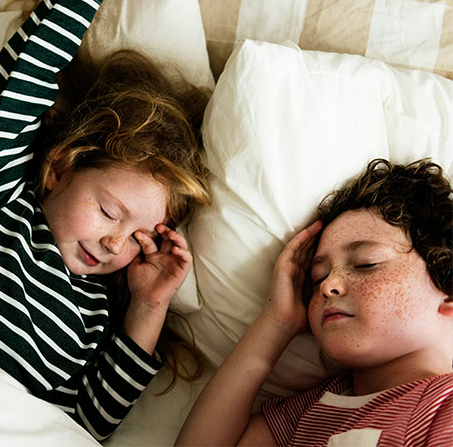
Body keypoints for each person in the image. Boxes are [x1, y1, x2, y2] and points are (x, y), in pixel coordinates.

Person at [0, 0, 211, 441]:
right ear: (60, 169)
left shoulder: (99, 312)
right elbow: (24, 81)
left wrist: (148, 304)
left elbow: (87, 424)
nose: (115, 243)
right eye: (107, 210)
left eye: (141, 237)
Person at [176, 158, 453, 446]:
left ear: (448, 291)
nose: (328, 286)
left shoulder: (442, 407)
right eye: (318, 278)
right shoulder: (311, 411)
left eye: (365, 264)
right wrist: (276, 323)